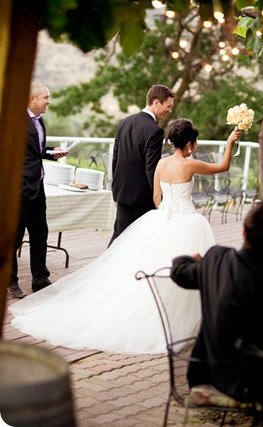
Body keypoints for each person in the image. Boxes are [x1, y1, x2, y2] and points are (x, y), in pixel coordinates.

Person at [9, 118, 240, 354]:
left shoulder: (161, 164)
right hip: (185, 220)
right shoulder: (190, 165)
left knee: (149, 265)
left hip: (161, 219)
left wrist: (164, 214)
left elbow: (157, 198)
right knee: (185, 268)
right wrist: (230, 142)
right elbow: (223, 167)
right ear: (190, 145)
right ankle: (177, 319)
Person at [170, 200, 263, 426]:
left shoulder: (215, 259)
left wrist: (198, 260)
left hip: (203, 371)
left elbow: (178, 271)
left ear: (244, 230)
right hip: (242, 383)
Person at [8, 82, 67, 299]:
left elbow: (36, 150)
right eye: (46, 97)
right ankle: (10, 281)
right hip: (20, 188)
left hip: (38, 186)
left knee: (40, 233)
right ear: (32, 98)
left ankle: (40, 280)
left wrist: (53, 152)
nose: (48, 101)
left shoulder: (39, 120)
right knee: (13, 237)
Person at [108, 84, 174, 246]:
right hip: (141, 197)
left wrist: (116, 186)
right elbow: (152, 169)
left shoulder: (124, 122)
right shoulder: (155, 131)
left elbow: (115, 158)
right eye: (168, 106)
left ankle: (108, 267)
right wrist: (158, 198)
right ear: (156, 102)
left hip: (122, 191)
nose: (169, 110)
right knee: (142, 240)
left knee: (119, 236)